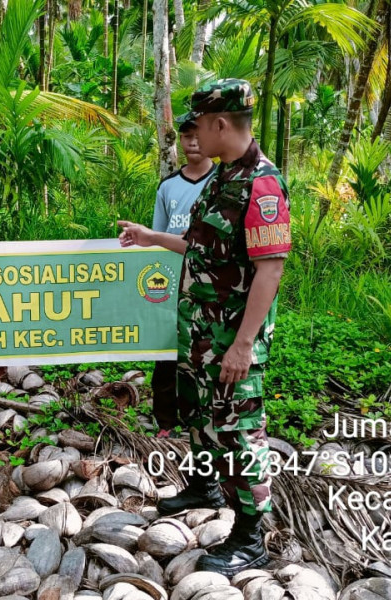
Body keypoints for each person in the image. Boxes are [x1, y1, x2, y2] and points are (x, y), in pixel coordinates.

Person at [118, 79, 290, 576]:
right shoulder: (220, 178)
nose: (192, 135)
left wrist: (243, 345)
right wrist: (151, 237)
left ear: (220, 124)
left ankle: (250, 535)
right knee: (199, 417)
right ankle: (203, 486)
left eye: (198, 126)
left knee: (238, 432)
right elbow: (200, 246)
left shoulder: (261, 184)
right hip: (199, 335)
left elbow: (270, 270)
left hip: (231, 340)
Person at [151, 116, 217, 438]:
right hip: (172, 279)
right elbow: (157, 236)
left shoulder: (222, 182)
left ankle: (201, 419)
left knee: (203, 348)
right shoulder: (168, 186)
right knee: (166, 348)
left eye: (197, 135)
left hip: (208, 281)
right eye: (186, 135)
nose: (192, 141)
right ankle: (165, 420)